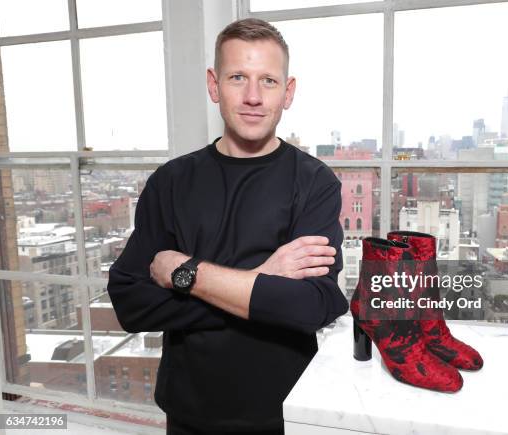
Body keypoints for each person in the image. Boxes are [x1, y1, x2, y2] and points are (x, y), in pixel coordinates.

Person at [107, 18, 349, 435]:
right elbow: (130, 302)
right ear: (214, 84)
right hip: (187, 415)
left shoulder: (314, 182)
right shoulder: (171, 181)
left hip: (286, 414)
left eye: (268, 81)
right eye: (238, 77)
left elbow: (313, 306)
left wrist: (188, 273)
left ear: (287, 92)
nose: (253, 97)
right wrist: (261, 282)